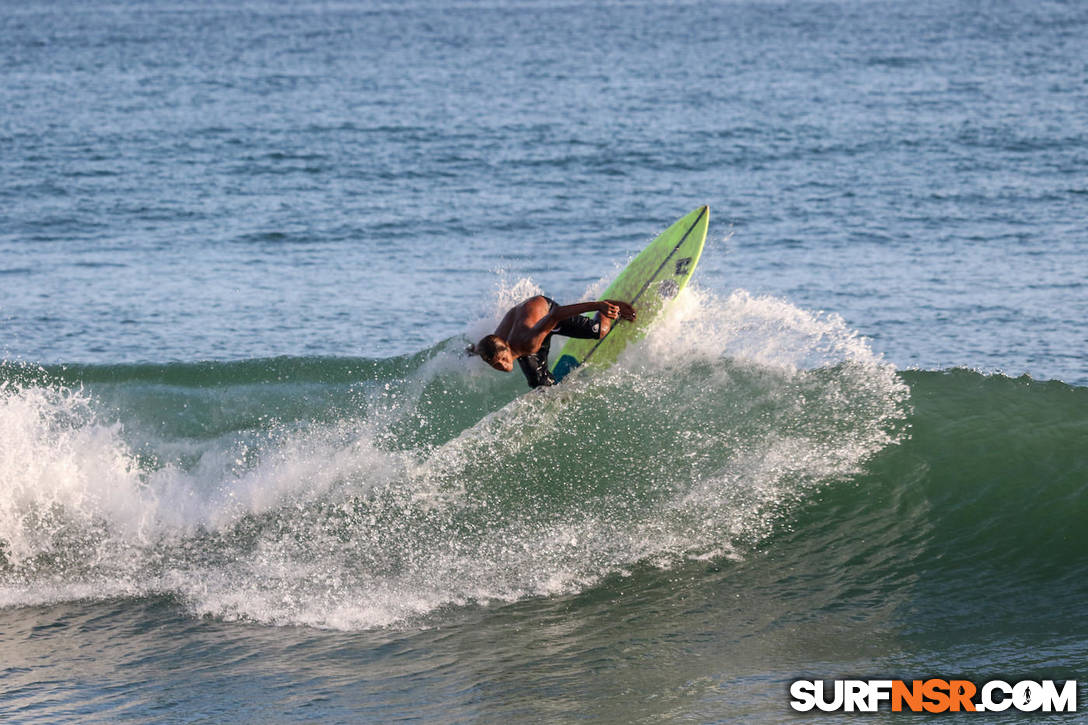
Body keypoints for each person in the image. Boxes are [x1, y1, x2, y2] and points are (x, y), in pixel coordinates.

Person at [467, 296, 636, 388]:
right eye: (497, 364)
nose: (504, 366)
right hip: (526, 319)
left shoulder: (529, 342)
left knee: (600, 331)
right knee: (538, 385)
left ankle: (607, 307)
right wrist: (470, 351)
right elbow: (481, 350)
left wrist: (598, 306)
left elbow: (557, 314)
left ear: (506, 347)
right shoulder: (493, 344)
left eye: (503, 359)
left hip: (546, 312)